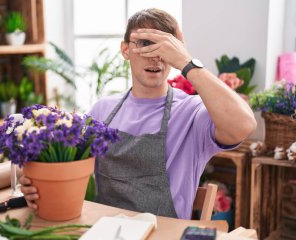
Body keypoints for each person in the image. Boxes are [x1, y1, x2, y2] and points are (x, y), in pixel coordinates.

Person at [20, 8, 257, 219]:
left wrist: (187, 62)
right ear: (125, 50)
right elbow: (66, 168)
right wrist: (38, 186)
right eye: (145, 44)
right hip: (105, 234)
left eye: (164, 48)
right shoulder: (103, 109)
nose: (155, 56)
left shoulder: (192, 113)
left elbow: (244, 125)